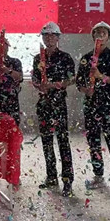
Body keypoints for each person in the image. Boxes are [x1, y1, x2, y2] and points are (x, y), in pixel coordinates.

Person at [75, 22, 110, 199]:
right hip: (91, 106)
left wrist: (100, 76)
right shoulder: (86, 58)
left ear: (108, 36)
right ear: (93, 36)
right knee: (93, 142)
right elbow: (79, 82)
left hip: (108, 105)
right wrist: (85, 89)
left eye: (103, 33)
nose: (100, 35)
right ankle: (98, 175)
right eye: (97, 33)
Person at [31, 22, 76, 197]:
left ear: (58, 38)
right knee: (47, 141)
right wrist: (39, 85)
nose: (49, 38)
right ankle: (51, 177)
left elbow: (71, 79)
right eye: (46, 36)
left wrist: (53, 85)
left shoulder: (65, 57)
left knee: (63, 141)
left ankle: (67, 180)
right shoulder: (38, 58)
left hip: (58, 104)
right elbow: (35, 79)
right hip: (44, 104)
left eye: (52, 35)